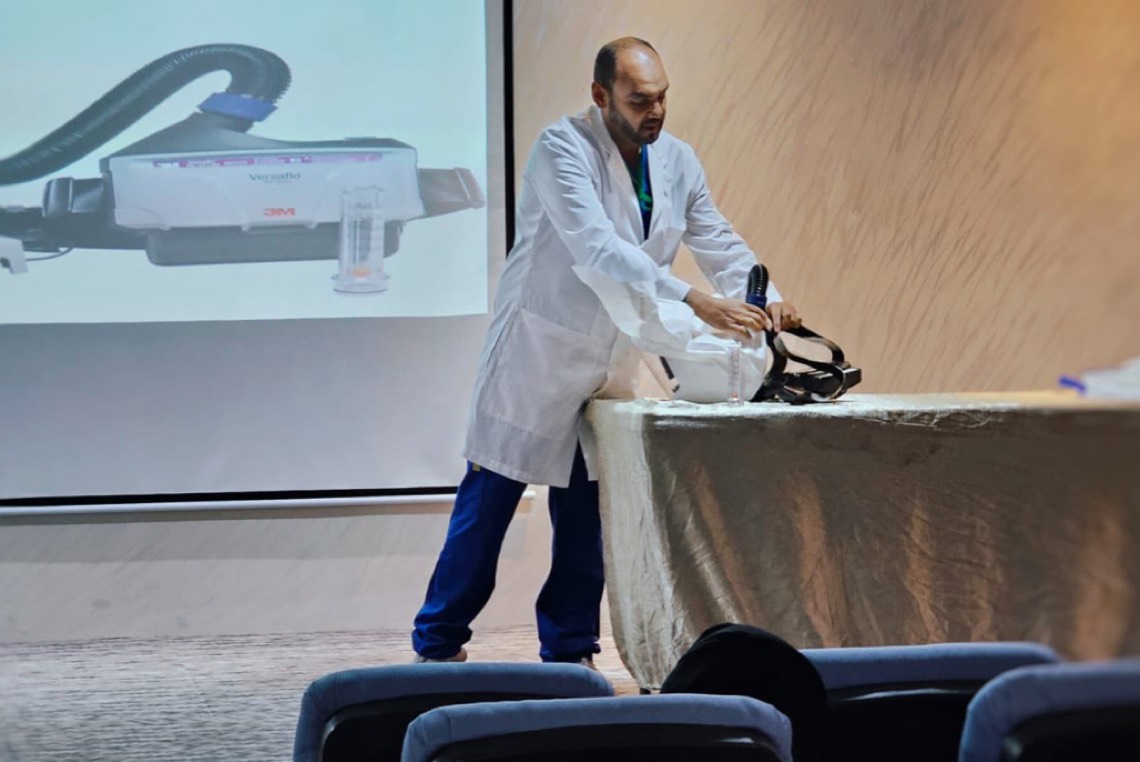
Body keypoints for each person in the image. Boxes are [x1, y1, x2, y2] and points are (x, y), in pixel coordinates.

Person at [411, 37, 802, 667]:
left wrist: (767, 296)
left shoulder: (677, 160)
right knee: (489, 507)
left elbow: (717, 238)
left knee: (586, 514)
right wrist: (695, 300)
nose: (656, 111)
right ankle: (436, 646)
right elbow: (596, 246)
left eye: (662, 97)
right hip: (539, 350)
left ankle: (571, 651)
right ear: (601, 95)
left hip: (612, 357)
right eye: (640, 99)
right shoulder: (561, 147)